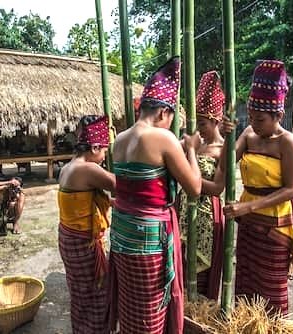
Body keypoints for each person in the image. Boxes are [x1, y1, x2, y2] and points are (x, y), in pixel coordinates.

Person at [109, 57, 202, 334]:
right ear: (163, 112)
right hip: (148, 239)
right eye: (171, 119)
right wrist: (192, 149)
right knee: (151, 311)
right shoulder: (163, 139)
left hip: (122, 233)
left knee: (130, 307)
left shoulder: (119, 139)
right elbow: (194, 188)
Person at [222, 60, 293, 316]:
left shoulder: (288, 143)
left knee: (271, 284)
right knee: (247, 280)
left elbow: (292, 189)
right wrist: (228, 135)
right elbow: (225, 166)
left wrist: (249, 206)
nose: (253, 122)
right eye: (250, 116)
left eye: (259, 118)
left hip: (274, 224)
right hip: (248, 223)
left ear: (278, 116)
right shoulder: (248, 134)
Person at [57, 115, 115, 333]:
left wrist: (109, 203)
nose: (104, 157)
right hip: (83, 244)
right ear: (94, 146)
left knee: (81, 294)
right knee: (97, 292)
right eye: (104, 151)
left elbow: (80, 201)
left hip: (68, 238)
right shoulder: (88, 169)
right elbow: (120, 185)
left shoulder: (69, 167)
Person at [177, 71, 226, 300]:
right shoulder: (194, 144)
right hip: (185, 212)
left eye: (204, 124)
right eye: (197, 124)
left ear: (216, 121)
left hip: (207, 216)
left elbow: (217, 188)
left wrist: (191, 161)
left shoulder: (224, 149)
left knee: (202, 277)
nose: (200, 129)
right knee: (183, 268)